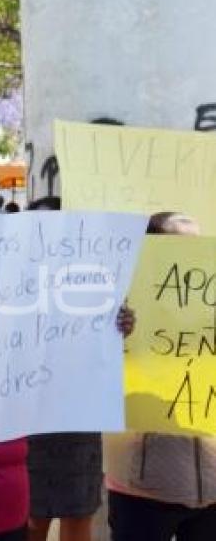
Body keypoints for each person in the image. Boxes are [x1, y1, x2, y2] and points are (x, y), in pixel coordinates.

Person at [0, 200, 135, 541]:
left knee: (76, 512)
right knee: (34, 519)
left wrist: (114, 326)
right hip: (8, 439)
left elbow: (94, 346)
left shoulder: (86, 286)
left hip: (67, 421)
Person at [104, 211, 216, 541]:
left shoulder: (208, 298)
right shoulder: (118, 303)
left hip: (211, 483)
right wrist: (115, 334)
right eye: (179, 246)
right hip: (143, 485)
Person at [24, 195, 104, 541]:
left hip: (76, 418)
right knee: (29, 514)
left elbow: (111, 347)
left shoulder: (95, 281)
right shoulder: (8, 280)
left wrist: (121, 327)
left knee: (78, 510)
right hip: (24, 417)